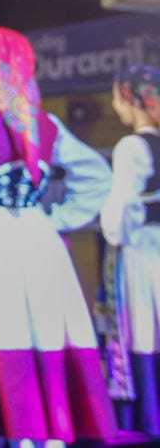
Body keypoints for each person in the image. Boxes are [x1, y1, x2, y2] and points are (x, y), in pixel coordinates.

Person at [0, 26, 115, 443]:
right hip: (40, 242)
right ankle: (48, 435)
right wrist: (60, 216)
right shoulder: (44, 125)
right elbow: (98, 176)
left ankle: (22, 434)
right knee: (45, 334)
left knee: (6, 336)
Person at [102, 64, 160, 434]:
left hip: (144, 251)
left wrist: (114, 230)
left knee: (144, 332)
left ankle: (150, 423)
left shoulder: (132, 146)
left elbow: (119, 218)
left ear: (127, 95)